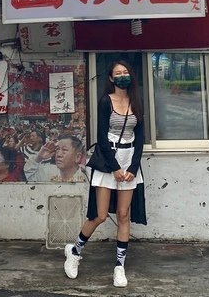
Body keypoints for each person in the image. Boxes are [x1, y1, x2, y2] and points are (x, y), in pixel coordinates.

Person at [63, 60, 147, 288]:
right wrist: (115, 168)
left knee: (123, 215)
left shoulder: (137, 101)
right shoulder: (105, 101)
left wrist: (131, 168)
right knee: (100, 215)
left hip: (129, 161)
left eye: (125, 72)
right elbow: (101, 136)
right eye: (117, 73)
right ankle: (75, 251)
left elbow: (140, 137)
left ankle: (119, 267)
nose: (122, 76)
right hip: (108, 162)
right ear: (111, 78)